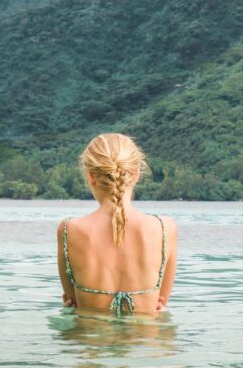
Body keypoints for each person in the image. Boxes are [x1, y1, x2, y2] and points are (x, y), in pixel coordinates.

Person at [57, 133, 177, 317]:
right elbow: (160, 302)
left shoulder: (69, 230)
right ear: (136, 174)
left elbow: (72, 302)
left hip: (89, 342)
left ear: (91, 177)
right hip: (146, 343)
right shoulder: (165, 228)